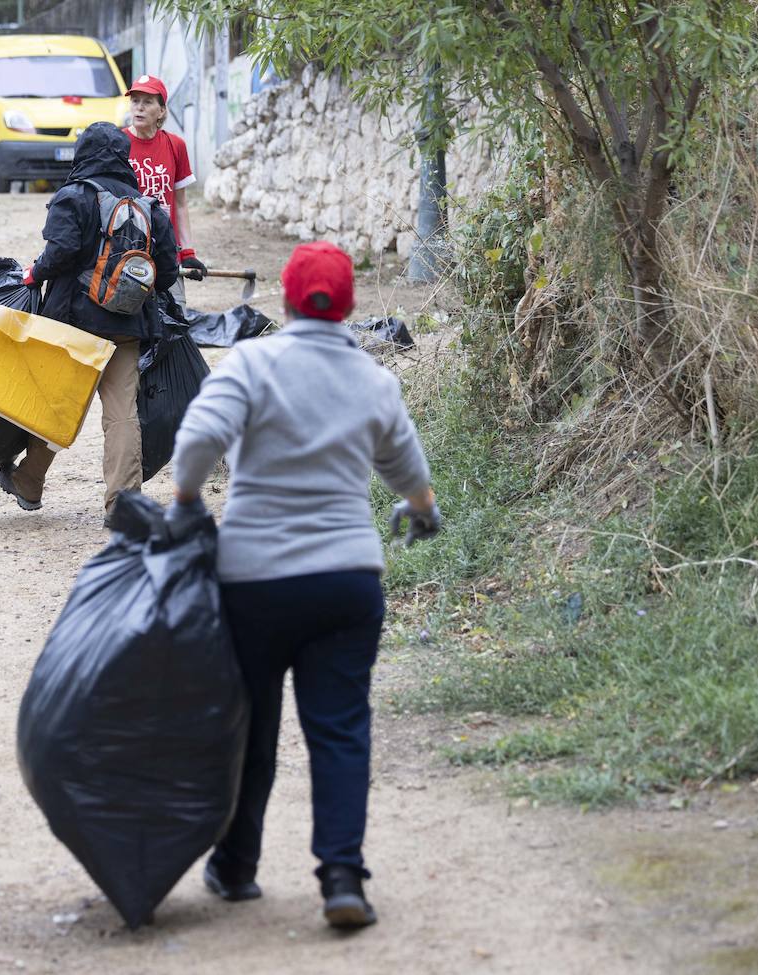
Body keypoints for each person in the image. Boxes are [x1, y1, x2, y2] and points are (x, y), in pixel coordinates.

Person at [168, 241, 442, 929]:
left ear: (287, 301)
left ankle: (235, 866)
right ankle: (342, 875)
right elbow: (409, 472)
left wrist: (187, 500)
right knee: (341, 727)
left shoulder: (255, 363)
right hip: (347, 583)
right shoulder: (373, 379)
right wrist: (423, 512)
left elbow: (198, 437)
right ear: (348, 306)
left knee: (251, 728)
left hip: (255, 582)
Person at [0, 122, 178, 524]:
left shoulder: (74, 196)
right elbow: (165, 273)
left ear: (84, 152)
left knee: (58, 406)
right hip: (127, 327)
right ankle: (124, 505)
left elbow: (59, 252)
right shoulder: (148, 206)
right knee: (122, 415)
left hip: (74, 325)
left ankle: (29, 481)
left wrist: (34, 273)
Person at [121, 74, 206, 300]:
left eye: (147, 102)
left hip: (166, 249)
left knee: (176, 317)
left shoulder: (175, 145)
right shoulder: (117, 143)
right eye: (135, 101)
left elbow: (179, 204)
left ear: (161, 111)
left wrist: (187, 253)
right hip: (127, 249)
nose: (139, 108)